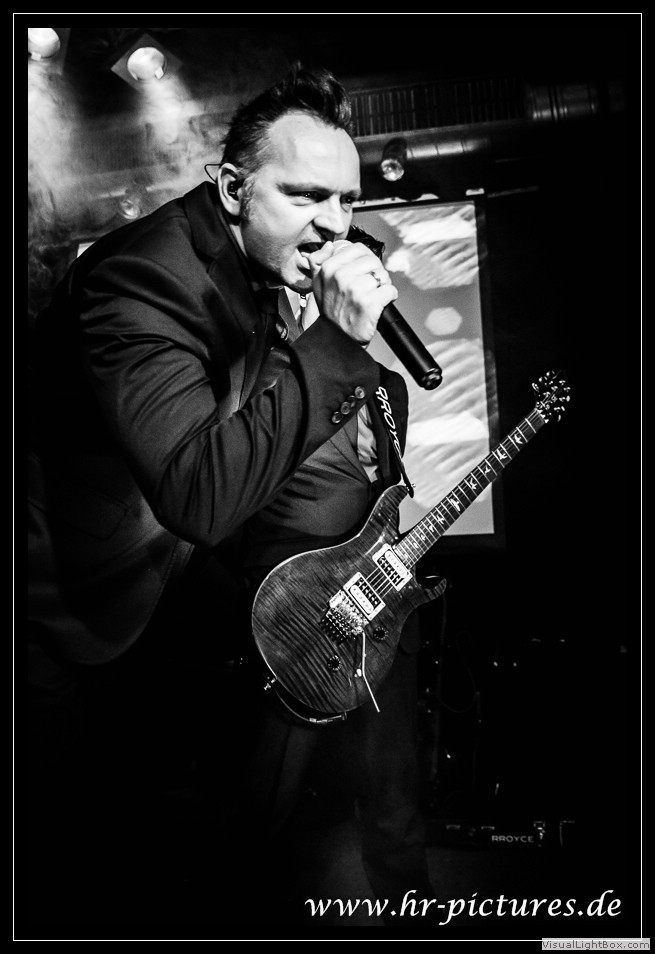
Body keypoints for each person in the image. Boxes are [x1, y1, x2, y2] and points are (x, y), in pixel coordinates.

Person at [26, 63, 437, 933]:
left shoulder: (263, 273)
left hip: (169, 577)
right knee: (63, 857)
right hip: (62, 596)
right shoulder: (139, 279)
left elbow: (251, 449)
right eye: (305, 195)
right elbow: (198, 493)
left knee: (185, 827)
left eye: (346, 199)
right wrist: (335, 344)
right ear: (232, 189)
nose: (334, 224)